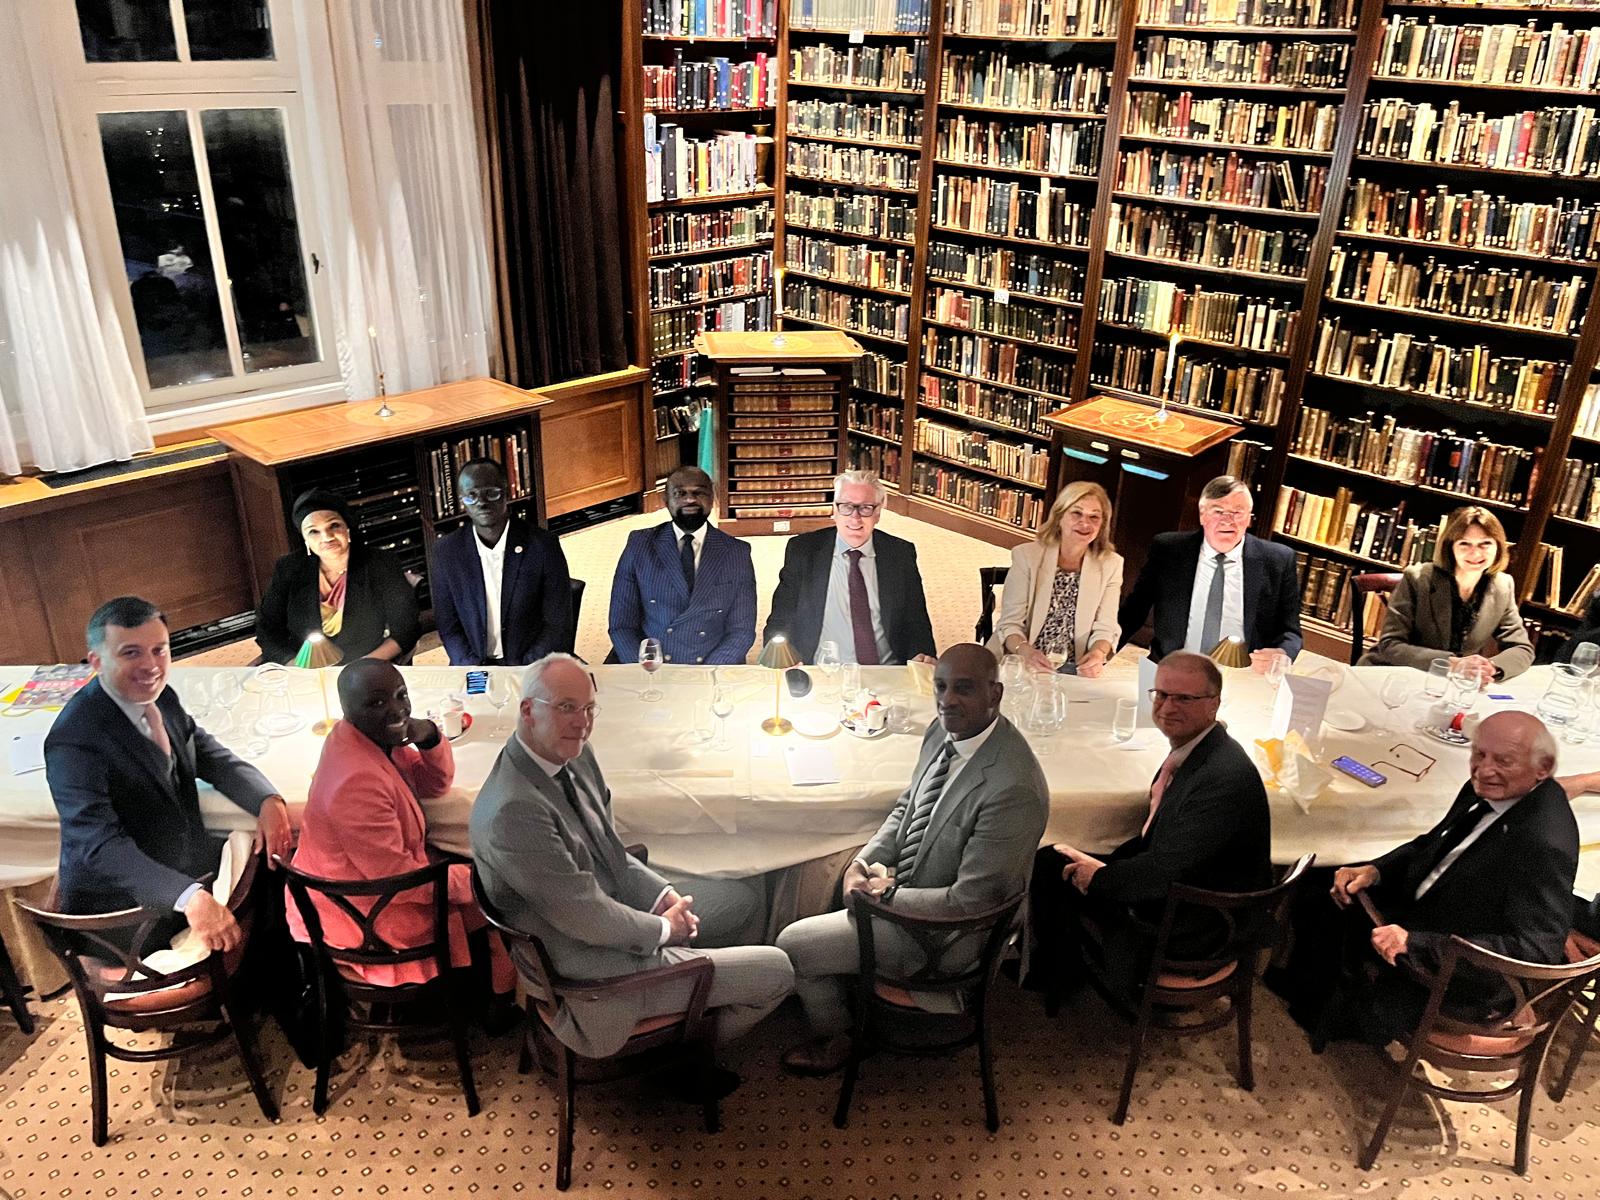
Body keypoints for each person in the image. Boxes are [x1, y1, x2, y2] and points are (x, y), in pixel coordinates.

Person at [470, 654, 793, 1086]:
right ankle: (679, 1061)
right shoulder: (514, 810)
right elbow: (585, 916)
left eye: (589, 708)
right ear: (528, 711)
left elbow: (612, 852)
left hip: (607, 917)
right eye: (566, 707)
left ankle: (689, 1011)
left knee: (745, 900)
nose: (582, 723)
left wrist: (664, 898)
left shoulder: (571, 754)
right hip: (592, 973)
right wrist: (664, 930)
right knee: (779, 972)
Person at [775, 644, 1048, 1074]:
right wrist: (863, 863)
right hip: (912, 887)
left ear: (994, 694)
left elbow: (971, 902)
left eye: (963, 689)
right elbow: (909, 806)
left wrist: (881, 898)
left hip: (946, 937)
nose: (947, 700)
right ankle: (844, 983)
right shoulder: (943, 731)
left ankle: (842, 1036)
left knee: (793, 945)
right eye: (940, 687)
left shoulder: (1013, 788)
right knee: (820, 875)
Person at [1273, 711, 1577, 1045]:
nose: (1483, 769)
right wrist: (1376, 870)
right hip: (1431, 907)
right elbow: (1433, 844)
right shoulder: (1492, 787)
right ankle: (1309, 996)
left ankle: (1335, 1017)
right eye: (1479, 754)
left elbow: (1537, 948)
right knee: (1319, 887)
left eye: (1503, 761)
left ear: (1542, 768)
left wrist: (1416, 944)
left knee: (1360, 1006)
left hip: (1459, 967)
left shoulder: (1544, 842)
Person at [46, 597, 292, 952]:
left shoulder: (160, 697)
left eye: (159, 650)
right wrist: (188, 896)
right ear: (97, 661)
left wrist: (265, 798)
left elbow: (206, 752)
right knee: (272, 885)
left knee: (279, 865)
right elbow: (99, 845)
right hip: (127, 911)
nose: (151, 666)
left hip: (185, 857)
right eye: (131, 653)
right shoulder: (74, 741)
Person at [1028, 652, 1271, 999]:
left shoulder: (1223, 780)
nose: (1168, 707)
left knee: (1052, 869)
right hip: (1188, 886)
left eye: (1184, 698)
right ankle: (1060, 969)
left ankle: (1061, 978)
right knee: (1056, 857)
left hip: (1196, 922)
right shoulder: (1203, 749)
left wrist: (1099, 877)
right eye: (1162, 695)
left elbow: (1165, 872)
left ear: (1214, 704)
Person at [284, 660, 513, 1008]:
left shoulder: (365, 737)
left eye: (401, 695)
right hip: (365, 913)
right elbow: (402, 882)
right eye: (377, 702)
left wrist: (430, 736)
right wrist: (479, 881)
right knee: (505, 897)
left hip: (373, 881)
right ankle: (497, 1006)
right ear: (348, 709)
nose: (397, 709)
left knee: (489, 874)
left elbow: (433, 785)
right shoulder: (355, 784)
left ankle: (489, 983)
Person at [1117, 475, 1301, 672]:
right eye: (1218, 511)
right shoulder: (1168, 550)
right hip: (1171, 668)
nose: (1228, 521)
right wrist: (1103, 650)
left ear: (1249, 518)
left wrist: (1282, 654)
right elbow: (1134, 610)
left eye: (1237, 512)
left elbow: (1290, 631)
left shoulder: (1278, 560)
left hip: (1241, 674)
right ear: (1202, 515)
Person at [764, 470, 936, 665]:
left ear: (878, 513)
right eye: (846, 507)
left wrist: (922, 655)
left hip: (887, 669)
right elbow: (781, 617)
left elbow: (917, 620)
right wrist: (778, 659)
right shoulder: (803, 550)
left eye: (865, 508)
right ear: (835, 510)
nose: (855, 518)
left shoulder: (900, 553)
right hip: (823, 669)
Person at [1358, 505, 1533, 682]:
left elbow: (1522, 648)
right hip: (1394, 675)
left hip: (1452, 683)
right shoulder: (1417, 578)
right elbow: (1390, 646)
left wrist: (1491, 667)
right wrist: (1451, 664)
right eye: (1464, 544)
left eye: (1485, 544)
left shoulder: (1503, 585)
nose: (1475, 553)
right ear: (1450, 546)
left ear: (1499, 547)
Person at [431, 457, 574, 666]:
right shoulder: (446, 552)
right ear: (462, 501)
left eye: (491, 493)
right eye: (471, 496)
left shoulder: (544, 546)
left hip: (530, 664)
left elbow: (557, 625)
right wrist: (472, 667)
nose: (482, 503)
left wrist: (523, 668)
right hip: (472, 665)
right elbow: (448, 627)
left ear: (507, 493)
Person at [609, 466, 757, 665]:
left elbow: (742, 631)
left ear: (712, 497)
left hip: (712, 666)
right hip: (651, 665)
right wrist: (644, 669)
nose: (690, 500)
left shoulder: (736, 552)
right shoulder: (640, 545)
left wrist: (707, 675)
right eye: (680, 493)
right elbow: (621, 625)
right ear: (666, 500)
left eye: (699, 493)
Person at [255, 488, 420, 665]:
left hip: (364, 667)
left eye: (334, 526)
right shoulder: (288, 568)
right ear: (305, 540)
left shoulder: (381, 563)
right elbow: (267, 630)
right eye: (313, 531)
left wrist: (361, 666)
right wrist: (294, 665)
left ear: (347, 529)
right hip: (304, 668)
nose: (327, 537)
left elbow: (406, 631)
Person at [990, 481, 1123, 678]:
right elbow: (1010, 624)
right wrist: (1027, 652)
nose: (1085, 523)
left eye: (1094, 517)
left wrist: (1098, 653)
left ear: (1102, 524)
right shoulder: (1027, 556)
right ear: (1059, 517)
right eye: (1076, 513)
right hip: (1023, 660)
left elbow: (1106, 626)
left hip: (1075, 666)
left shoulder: (1111, 564)